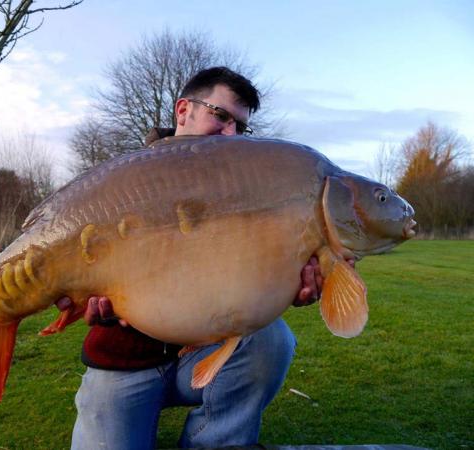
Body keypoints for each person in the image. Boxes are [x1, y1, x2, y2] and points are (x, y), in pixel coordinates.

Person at [57, 67, 325, 449]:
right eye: (221, 116)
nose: (231, 134)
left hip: (204, 359)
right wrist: (82, 297)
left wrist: (289, 285)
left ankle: (214, 442)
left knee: (272, 340)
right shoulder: (122, 181)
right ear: (183, 111)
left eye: (241, 127)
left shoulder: (245, 191)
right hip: (124, 360)